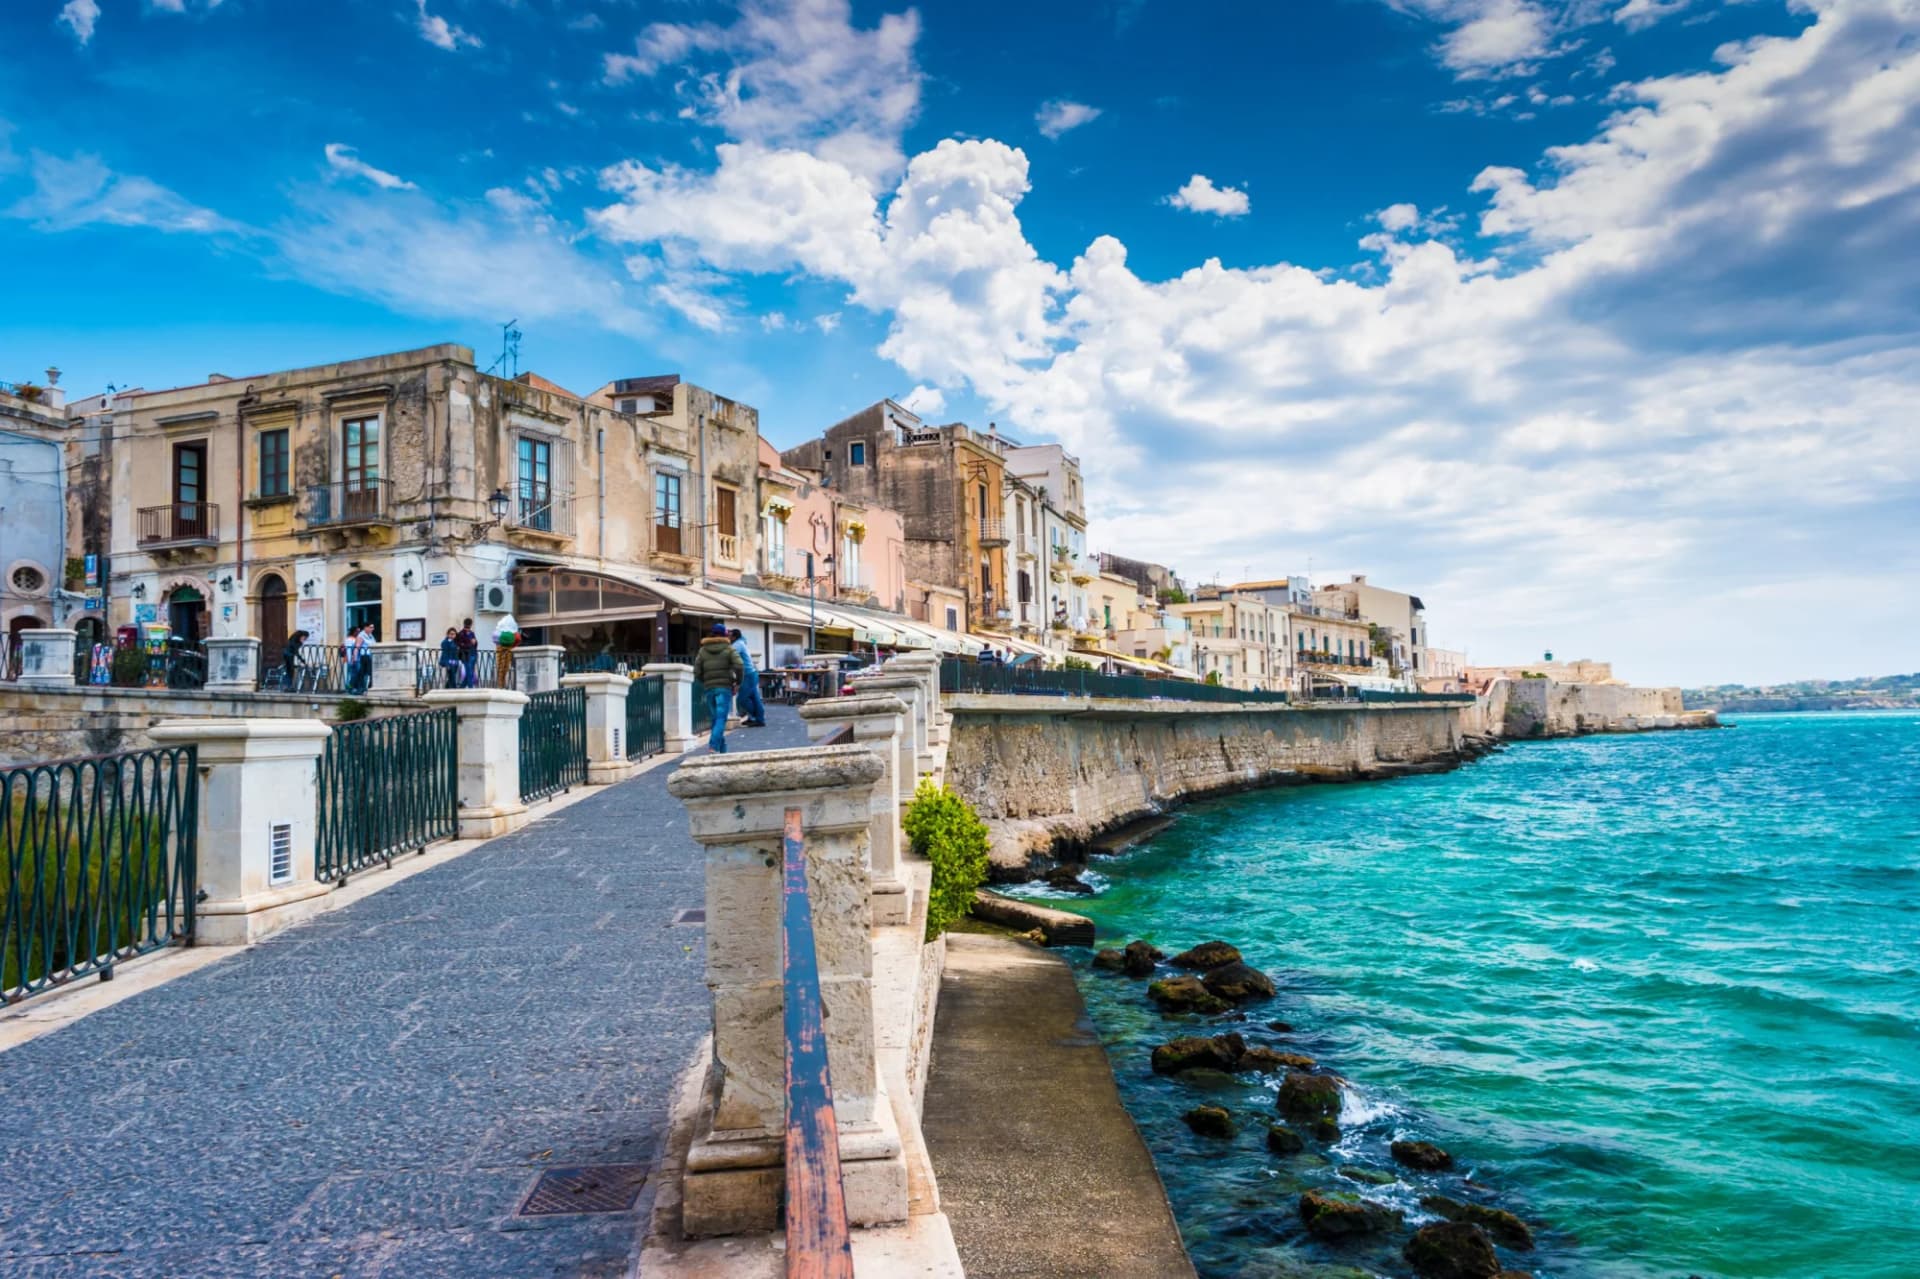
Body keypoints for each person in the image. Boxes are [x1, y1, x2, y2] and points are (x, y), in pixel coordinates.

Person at [692, 620, 744, 753]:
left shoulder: (703, 650)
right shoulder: (729, 649)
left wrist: (704, 681)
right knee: (721, 718)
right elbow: (739, 665)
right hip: (724, 687)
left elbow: (697, 671)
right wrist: (737, 682)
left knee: (716, 719)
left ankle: (722, 750)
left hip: (710, 688)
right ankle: (714, 746)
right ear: (725, 635)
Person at [729, 628, 767, 727]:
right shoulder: (741, 642)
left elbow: (728, 655)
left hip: (747, 675)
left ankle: (755, 716)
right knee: (754, 698)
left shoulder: (737, 645)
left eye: (730, 635)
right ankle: (758, 719)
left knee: (742, 699)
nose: (728, 637)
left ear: (734, 637)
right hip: (751, 673)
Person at [346, 622, 374, 693]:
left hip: (368, 657)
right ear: (366, 627)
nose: (372, 629)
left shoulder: (370, 635)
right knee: (358, 674)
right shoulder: (361, 636)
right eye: (371, 627)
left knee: (364, 674)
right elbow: (356, 648)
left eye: (372, 627)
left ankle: (361, 688)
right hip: (362, 657)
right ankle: (352, 688)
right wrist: (354, 659)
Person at [456, 617, 479, 688]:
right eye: (468, 624)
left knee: (471, 673)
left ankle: (461, 688)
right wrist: (471, 643)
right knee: (469, 673)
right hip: (466, 655)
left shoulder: (472, 633)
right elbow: (460, 645)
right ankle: (471, 689)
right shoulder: (460, 634)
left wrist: (475, 642)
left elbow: (475, 643)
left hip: (473, 654)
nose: (468, 626)